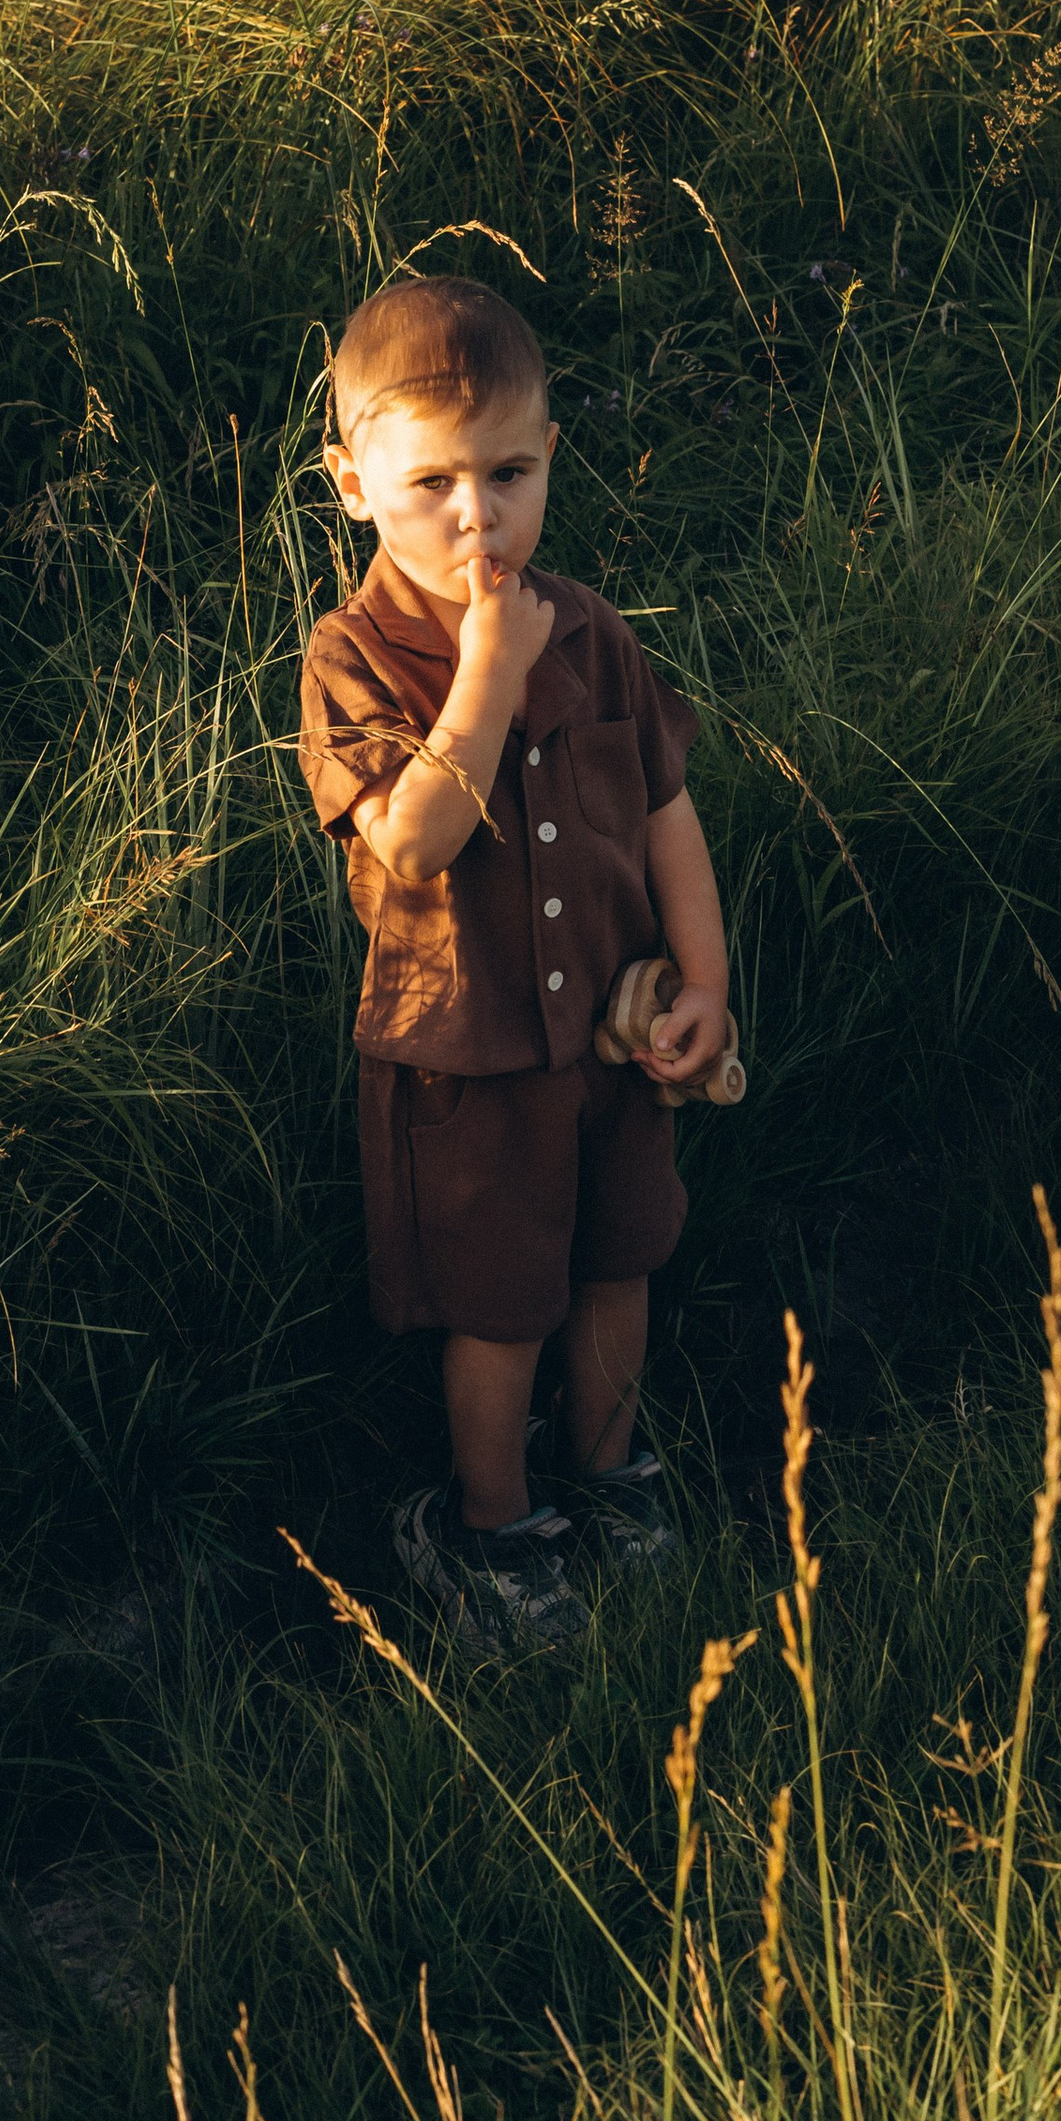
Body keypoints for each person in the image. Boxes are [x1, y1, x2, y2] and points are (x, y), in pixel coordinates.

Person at [297, 274, 729, 1651]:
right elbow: (415, 842)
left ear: (552, 461)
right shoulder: (354, 656)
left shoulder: (591, 630)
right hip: (466, 1059)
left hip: (612, 1037)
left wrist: (705, 986)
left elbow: (668, 816)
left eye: (511, 471)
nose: (476, 513)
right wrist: (484, 673)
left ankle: (607, 1474)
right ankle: (491, 1523)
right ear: (352, 481)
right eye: (431, 481)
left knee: (618, 1262)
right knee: (500, 1301)